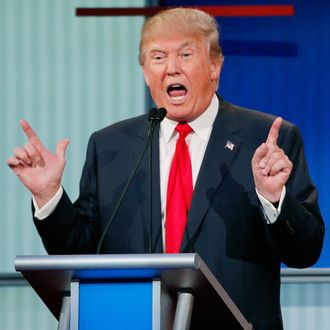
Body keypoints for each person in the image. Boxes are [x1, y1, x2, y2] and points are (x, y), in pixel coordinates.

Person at [7, 7, 324, 329]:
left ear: (215, 66)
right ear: (145, 72)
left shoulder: (267, 138)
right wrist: (48, 195)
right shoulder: (110, 145)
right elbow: (80, 252)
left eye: (186, 54)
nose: (171, 68)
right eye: (158, 58)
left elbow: (305, 252)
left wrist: (273, 199)